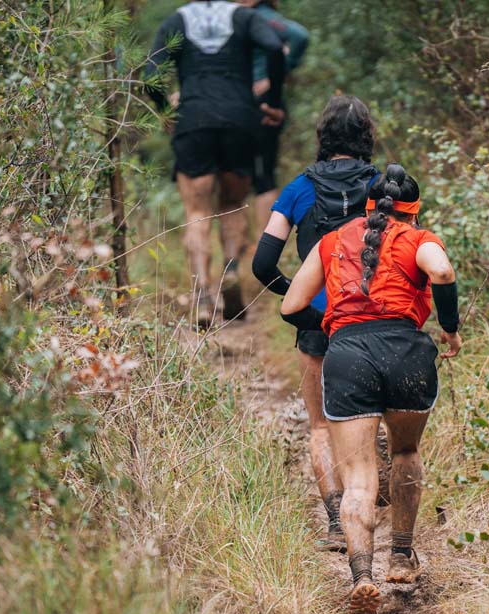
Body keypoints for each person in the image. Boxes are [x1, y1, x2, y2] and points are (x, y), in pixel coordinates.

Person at [280, 164, 462, 614]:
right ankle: (400, 555)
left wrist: (335, 323)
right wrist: (450, 328)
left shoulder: (332, 241)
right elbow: (442, 271)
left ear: (366, 206)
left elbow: (290, 306)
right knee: (404, 452)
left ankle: (362, 577)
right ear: (414, 211)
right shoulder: (418, 238)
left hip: (348, 357)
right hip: (407, 353)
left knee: (359, 478)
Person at [252, 96, 379, 553]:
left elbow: (262, 264)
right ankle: (372, 509)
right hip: (374, 315)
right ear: (366, 136)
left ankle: (335, 521)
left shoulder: (297, 190)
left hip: (319, 320)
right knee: (373, 418)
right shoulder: (383, 186)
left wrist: (300, 296)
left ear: (323, 136)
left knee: (322, 426)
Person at [144, 1, 287, 327]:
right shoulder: (245, 17)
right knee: (232, 204)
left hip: (193, 119)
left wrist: (166, 110)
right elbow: (274, 47)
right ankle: (230, 272)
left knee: (197, 211)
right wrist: (273, 100)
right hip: (239, 119)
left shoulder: (177, 20)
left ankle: (202, 297)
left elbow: (150, 77)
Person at [240, 0, 310, 233]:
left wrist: (272, 77)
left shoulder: (262, 16)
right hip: (247, 104)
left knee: (253, 175)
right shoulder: (240, 16)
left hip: (256, 104)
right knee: (259, 175)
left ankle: (257, 244)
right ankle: (259, 243)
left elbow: (299, 36)